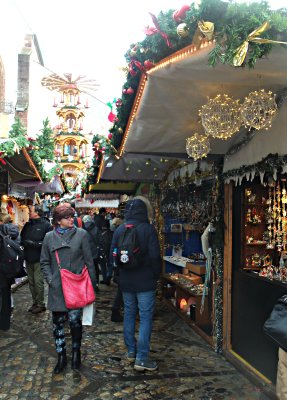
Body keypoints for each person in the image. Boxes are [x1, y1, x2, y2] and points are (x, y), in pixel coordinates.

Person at [40, 204, 97, 374]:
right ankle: (61, 356)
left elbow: (89, 261)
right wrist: (51, 280)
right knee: (57, 324)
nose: (71, 219)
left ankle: (75, 354)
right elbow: (43, 261)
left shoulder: (81, 235)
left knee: (74, 322)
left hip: (76, 287)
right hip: (57, 288)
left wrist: (92, 285)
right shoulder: (49, 237)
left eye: (72, 216)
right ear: (58, 221)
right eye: (67, 217)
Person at [110, 196, 161, 371]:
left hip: (126, 281)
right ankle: (142, 358)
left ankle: (131, 351)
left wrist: (118, 275)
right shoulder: (148, 229)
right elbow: (154, 256)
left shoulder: (119, 229)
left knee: (129, 314)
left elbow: (113, 256)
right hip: (145, 280)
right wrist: (156, 274)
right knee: (145, 317)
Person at [21, 204, 52, 314]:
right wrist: (25, 243)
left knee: (38, 282)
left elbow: (48, 242)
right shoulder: (28, 225)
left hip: (40, 258)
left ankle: (40, 304)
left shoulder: (46, 225)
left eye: (31, 211)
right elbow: (22, 237)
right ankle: (35, 302)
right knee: (31, 282)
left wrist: (34, 244)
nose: (29, 212)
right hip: (28, 257)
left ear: (37, 213)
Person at [0, 213, 20, 330]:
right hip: (8, 268)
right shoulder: (12, 232)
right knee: (6, 294)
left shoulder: (3, 233)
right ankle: (4, 323)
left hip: (2, 267)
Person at [82, 214, 101, 287]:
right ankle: (96, 283)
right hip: (94, 251)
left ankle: (88, 283)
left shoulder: (82, 230)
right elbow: (100, 240)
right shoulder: (96, 229)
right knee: (95, 267)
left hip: (86, 252)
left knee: (87, 268)